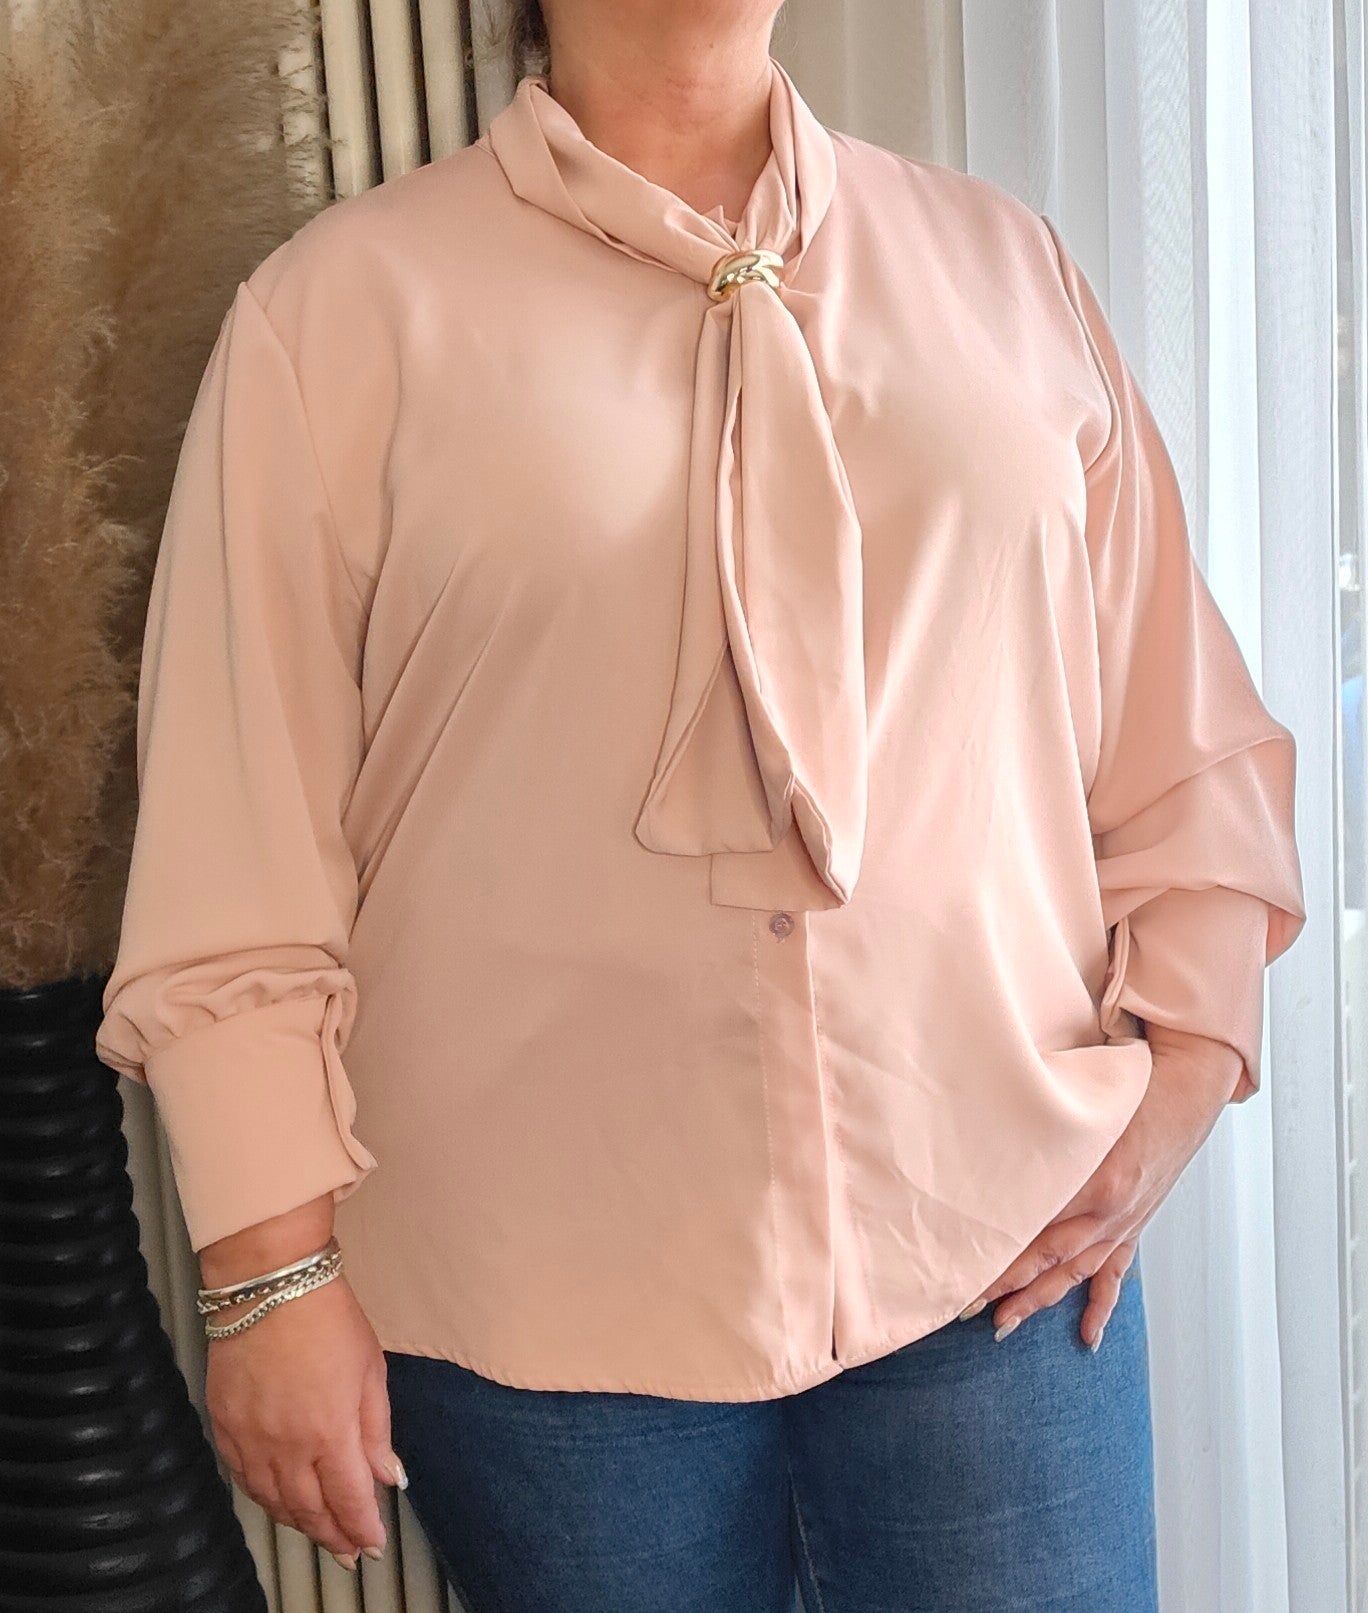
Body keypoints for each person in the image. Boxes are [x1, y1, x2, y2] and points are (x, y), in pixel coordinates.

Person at [94, 1, 1308, 1608]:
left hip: (998, 1261)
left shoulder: (1003, 267)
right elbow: (234, 833)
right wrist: (269, 1273)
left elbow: (1179, 726)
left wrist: (1187, 1067)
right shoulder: (337, 320)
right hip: (547, 1325)